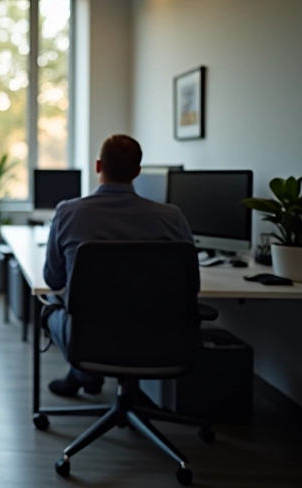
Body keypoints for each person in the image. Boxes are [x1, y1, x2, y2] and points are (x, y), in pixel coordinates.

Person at [42, 135, 196, 397]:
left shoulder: (68, 212)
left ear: (98, 166)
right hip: (159, 340)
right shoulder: (172, 217)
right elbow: (192, 287)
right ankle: (128, 388)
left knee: (48, 306)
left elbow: (53, 280)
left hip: (88, 340)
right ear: (137, 171)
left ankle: (82, 373)